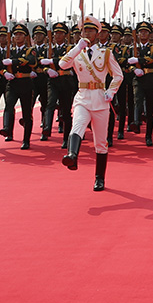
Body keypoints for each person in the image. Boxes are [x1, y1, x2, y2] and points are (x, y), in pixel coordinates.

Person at [59, 16, 123, 191]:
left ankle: (99, 178)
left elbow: (118, 75)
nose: (87, 34)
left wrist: (111, 91)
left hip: (100, 100)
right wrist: (77, 48)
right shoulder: (77, 52)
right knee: (77, 126)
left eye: (90, 31)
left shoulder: (106, 53)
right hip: (82, 97)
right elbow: (62, 64)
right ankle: (72, 155)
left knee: (101, 142)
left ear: (97, 33)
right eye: (84, 31)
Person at [0, 24, 39, 149]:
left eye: (20, 34)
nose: (17, 37)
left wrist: (13, 61)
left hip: (26, 83)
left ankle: (26, 140)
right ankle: (7, 129)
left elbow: (31, 61)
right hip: (12, 83)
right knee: (9, 105)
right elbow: (0, 66)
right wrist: (4, 73)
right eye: (16, 34)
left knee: (26, 113)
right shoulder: (9, 51)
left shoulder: (30, 50)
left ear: (25, 37)